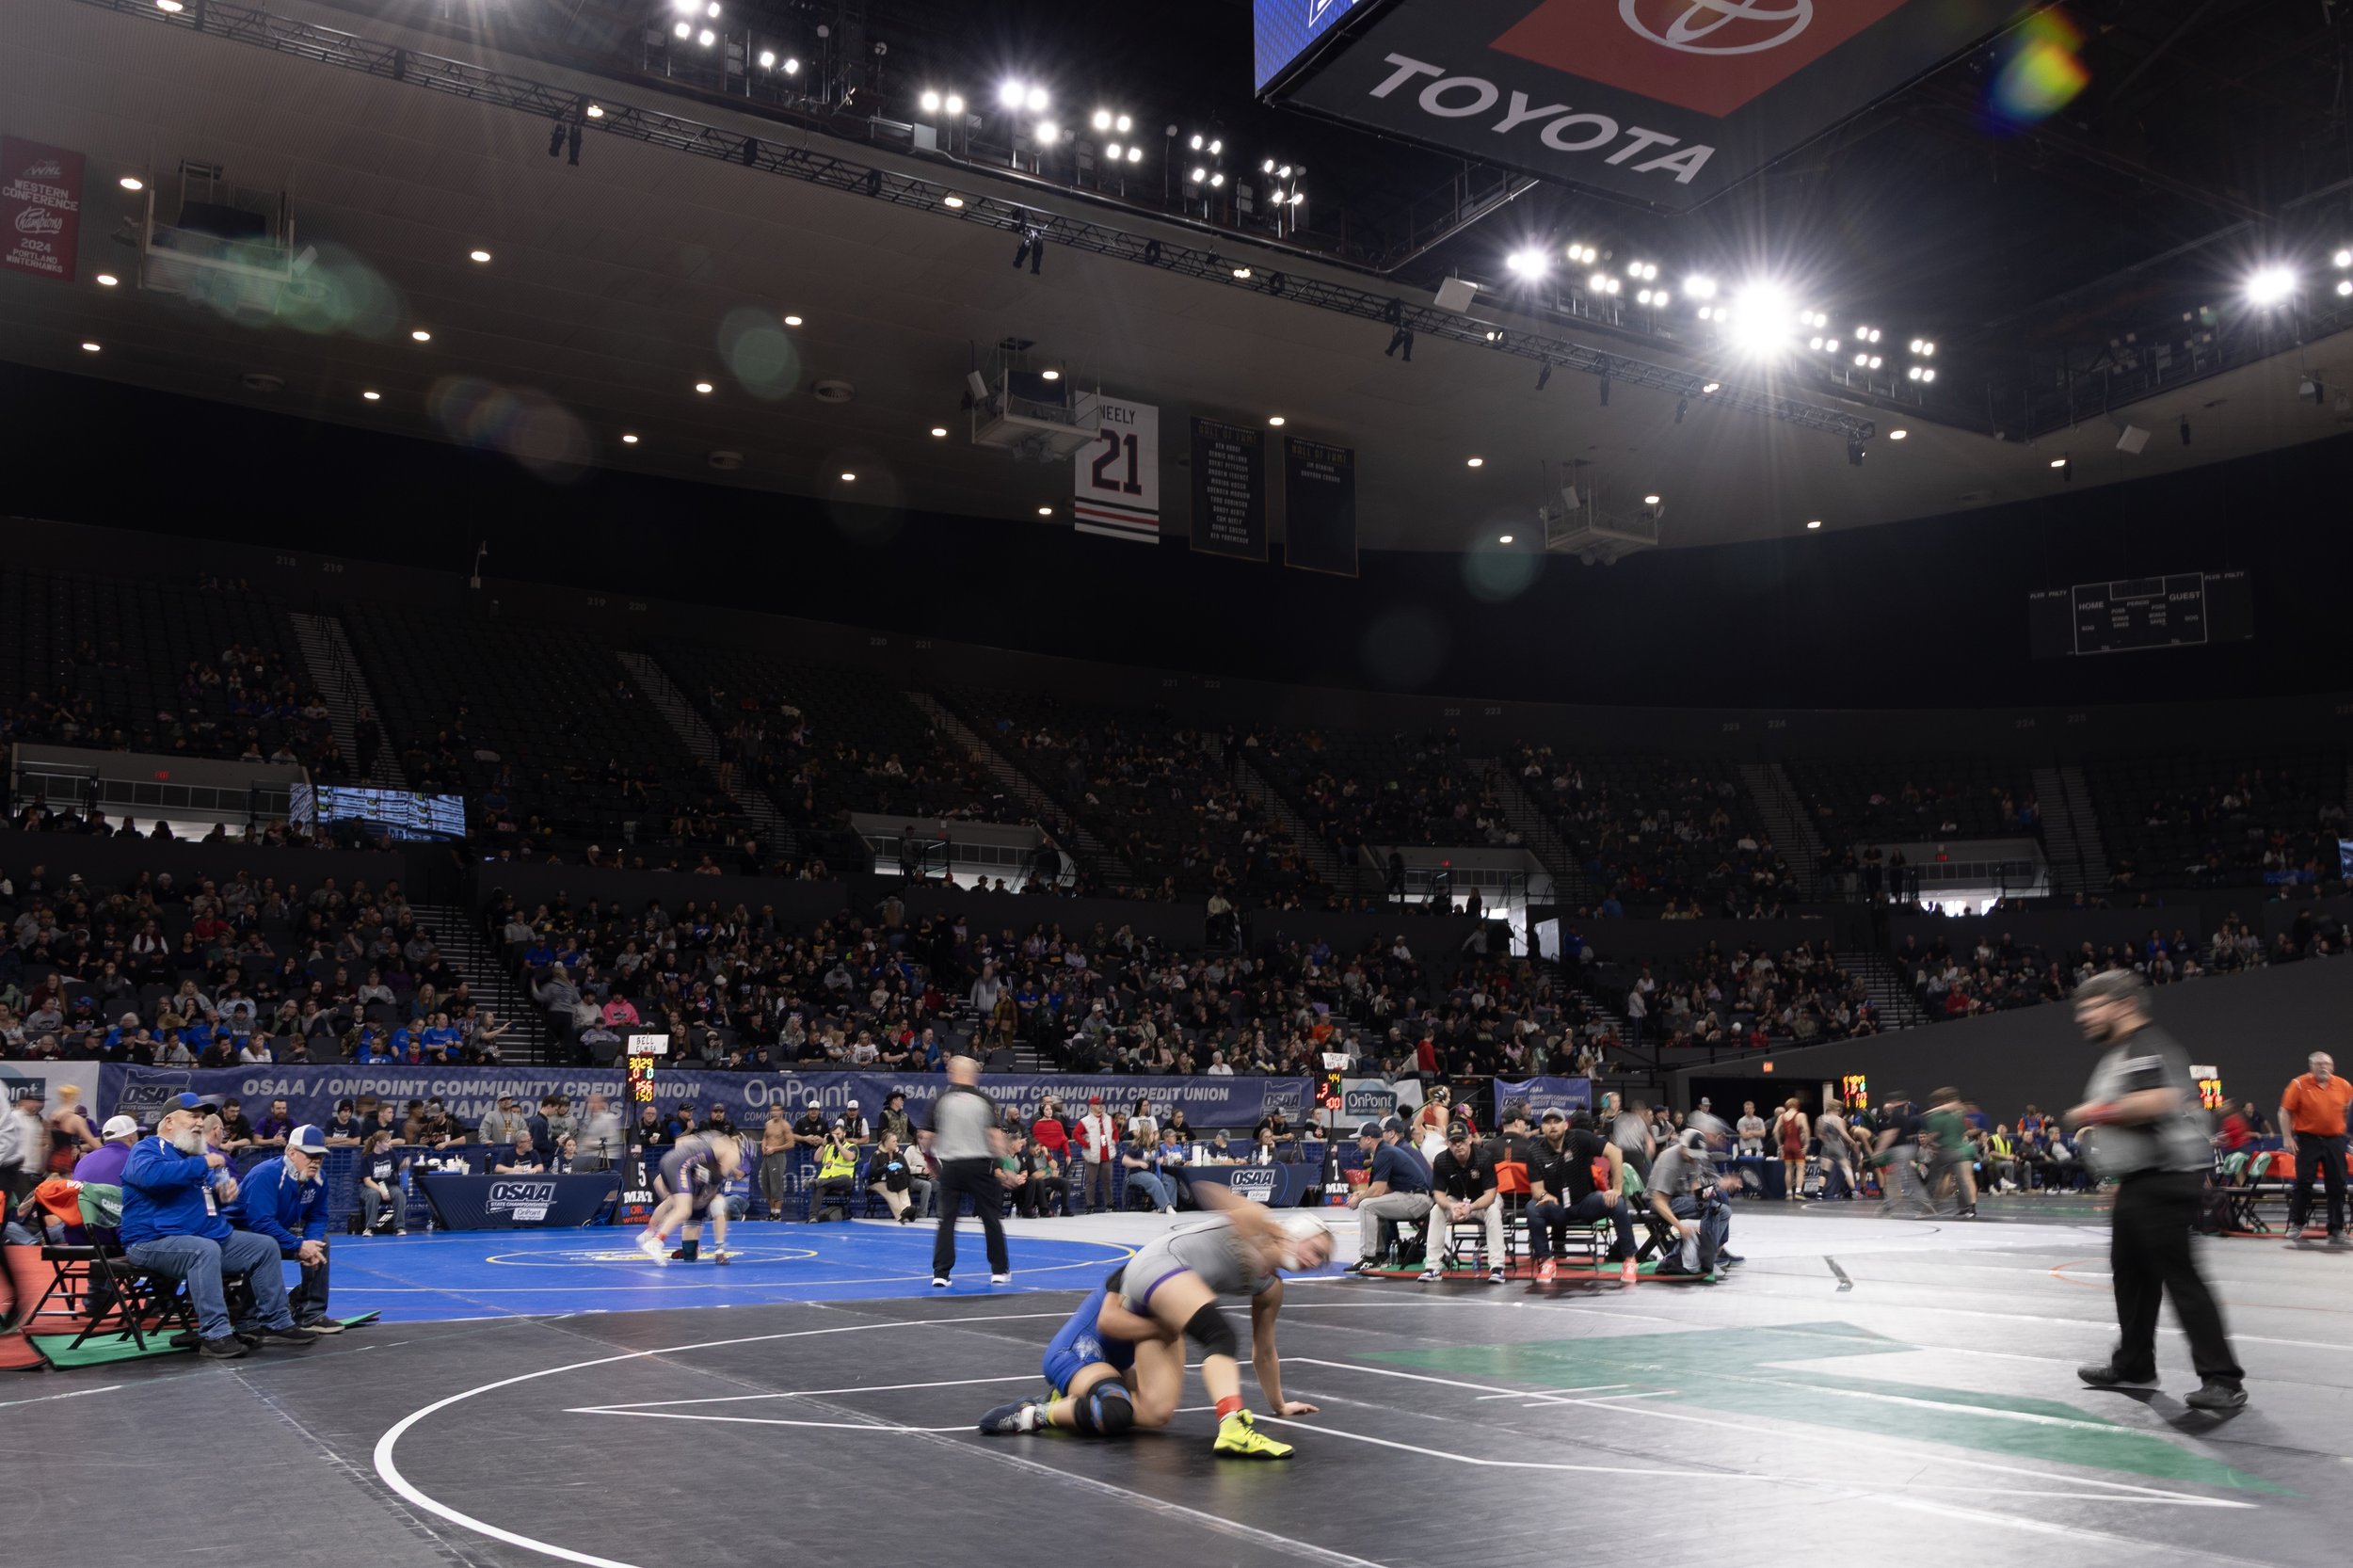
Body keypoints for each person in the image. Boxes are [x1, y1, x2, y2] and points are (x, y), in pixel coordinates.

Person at [981, 1192, 1331, 1459]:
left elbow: (1265, 1351)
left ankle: (1067, 1403)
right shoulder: (1147, 1270)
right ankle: (1033, 1414)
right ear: (1296, 1232)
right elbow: (1109, 1322)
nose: (1314, 1263)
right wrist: (1252, 1215)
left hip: (1130, 1348)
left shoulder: (1268, 1287)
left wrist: (1279, 1405)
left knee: (1156, 1413)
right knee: (1210, 1339)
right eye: (1315, 1250)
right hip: (1080, 1352)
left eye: (1322, 1261)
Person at [2066, 969, 2245, 1409]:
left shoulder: (2142, 1045)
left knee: (2178, 1276)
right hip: (2140, 1179)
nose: (2084, 1018)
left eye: (2092, 1008)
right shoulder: (2125, 1050)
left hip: (2163, 1178)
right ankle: (2134, 1363)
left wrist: (2091, 1112)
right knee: (2131, 1275)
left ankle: (2223, 1378)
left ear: (2124, 1004)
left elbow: (2157, 1102)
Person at [120, 1094, 319, 1359]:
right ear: (168, 1121)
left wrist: (223, 1194)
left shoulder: (195, 1154)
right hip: (150, 1241)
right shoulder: (148, 1149)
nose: (199, 1123)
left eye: (202, 1118)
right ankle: (215, 1334)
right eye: (193, 1116)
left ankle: (274, 1320)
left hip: (200, 1236)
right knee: (203, 1251)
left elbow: (204, 1196)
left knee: (264, 1247)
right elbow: (151, 1177)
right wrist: (202, 1163)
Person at [226, 1125, 341, 1332]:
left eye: (320, 1156)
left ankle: (310, 1313)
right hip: (236, 1233)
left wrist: (311, 1244)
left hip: (269, 1230)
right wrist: (298, 1245)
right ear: (291, 1152)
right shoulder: (266, 1174)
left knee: (321, 1242)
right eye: (310, 1155)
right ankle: (249, 1319)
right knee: (264, 1245)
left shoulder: (318, 1179)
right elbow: (260, 1223)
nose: (316, 1161)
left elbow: (317, 1216)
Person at [1524, 1108, 1640, 1284]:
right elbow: (1537, 1189)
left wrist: (1616, 1189)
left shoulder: (1579, 1138)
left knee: (1617, 1202)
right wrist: (1544, 1195)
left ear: (1565, 1125)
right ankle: (1546, 1262)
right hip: (1558, 1207)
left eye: (1557, 1122)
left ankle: (1630, 1260)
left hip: (1585, 1202)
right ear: (1542, 1128)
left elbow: (1615, 1152)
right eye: (1548, 1123)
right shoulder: (1534, 1152)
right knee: (1532, 1208)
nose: (1553, 1126)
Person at [926, 1054, 1011, 1288]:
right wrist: (1005, 1168)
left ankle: (941, 1273)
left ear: (952, 1074)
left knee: (946, 1220)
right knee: (990, 1218)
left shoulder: (941, 1100)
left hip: (951, 1167)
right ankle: (999, 1271)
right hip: (979, 1166)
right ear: (974, 1075)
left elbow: (927, 1137)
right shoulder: (984, 1100)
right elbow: (995, 1138)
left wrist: (932, 1162)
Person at [636, 1128, 743, 1265]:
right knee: (679, 1206)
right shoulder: (722, 1147)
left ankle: (719, 1251)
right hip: (686, 1176)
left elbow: (726, 1177)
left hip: (696, 1188)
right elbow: (680, 1144)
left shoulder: (714, 1152)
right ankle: (654, 1238)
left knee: (715, 1206)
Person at [2278, 1051, 2351, 1246]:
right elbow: (2285, 1111)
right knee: (2304, 1182)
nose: (2323, 1067)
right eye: (2319, 1064)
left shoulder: (2344, 1085)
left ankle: (2336, 1229)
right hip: (2308, 1140)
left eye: (2327, 1064)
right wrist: (2287, 1137)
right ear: (2311, 1067)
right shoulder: (2299, 1084)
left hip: (2335, 1140)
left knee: (2337, 1184)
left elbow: (2350, 1112)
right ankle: (2297, 1224)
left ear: (2332, 1067)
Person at [1649, 1128, 1742, 1279]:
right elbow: (1658, 1200)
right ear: (1683, 1147)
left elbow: (1695, 1187)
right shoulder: (1669, 1161)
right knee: (1713, 1209)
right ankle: (1706, 1258)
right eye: (1692, 1155)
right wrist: (1680, 1227)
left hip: (1682, 1198)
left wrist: (1712, 1190)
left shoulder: (1694, 1157)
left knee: (1723, 1209)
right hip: (1663, 1201)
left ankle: (1713, 1251)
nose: (1694, 1159)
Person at [1346, 1117, 1433, 1272]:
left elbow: (1378, 1190)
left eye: (1359, 1139)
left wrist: (1358, 1198)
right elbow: (1385, 1189)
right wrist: (1363, 1193)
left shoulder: (1384, 1153)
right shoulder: (1385, 1150)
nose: (1357, 1142)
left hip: (1417, 1200)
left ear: (1368, 1139)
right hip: (1416, 1197)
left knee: (1366, 1205)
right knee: (1373, 1203)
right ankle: (1380, 1254)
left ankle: (1369, 1257)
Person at [1425, 1121, 1507, 1283]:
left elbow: (1490, 1195)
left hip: (1481, 1201)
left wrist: (1471, 1207)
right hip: (1456, 1202)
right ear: (1447, 1143)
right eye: (1453, 1142)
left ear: (1470, 1139)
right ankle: (1432, 1267)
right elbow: (1439, 1195)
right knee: (1436, 1210)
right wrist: (1451, 1206)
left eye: (1461, 1140)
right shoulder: (1441, 1160)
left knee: (1493, 1210)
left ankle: (1497, 1267)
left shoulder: (1484, 1157)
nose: (1458, 1145)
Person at [356, 1130, 409, 1235]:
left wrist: (404, 1165)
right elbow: (367, 1181)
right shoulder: (367, 1158)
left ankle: (399, 1227)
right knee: (373, 1195)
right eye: (387, 1141)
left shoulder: (391, 1153)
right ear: (378, 1143)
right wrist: (381, 1190)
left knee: (399, 1195)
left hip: (390, 1185)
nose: (390, 1144)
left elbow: (399, 1168)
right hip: (371, 1186)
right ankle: (370, 1227)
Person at [1074, 1096, 1119, 1212]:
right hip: (1092, 1155)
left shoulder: (1108, 1119)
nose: (1100, 1106)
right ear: (1092, 1106)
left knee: (1107, 1181)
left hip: (1107, 1155)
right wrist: (1085, 1144)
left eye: (1101, 1104)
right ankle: (1090, 1206)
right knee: (1091, 1182)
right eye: (1097, 1104)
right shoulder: (1085, 1121)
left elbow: (1115, 1131)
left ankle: (1110, 1204)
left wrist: (1114, 1140)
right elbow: (1076, 1134)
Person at [867, 1128, 920, 1223]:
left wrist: (898, 1169)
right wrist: (886, 1167)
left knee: (903, 1188)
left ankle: (908, 1211)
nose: (896, 1143)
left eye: (896, 1141)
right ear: (886, 1143)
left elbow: (907, 1169)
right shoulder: (877, 1155)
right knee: (892, 1194)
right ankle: (901, 1216)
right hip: (879, 1181)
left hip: (896, 1179)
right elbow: (873, 1172)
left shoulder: (899, 1154)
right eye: (894, 1141)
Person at [808, 1124, 859, 1221]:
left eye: (838, 1134)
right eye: (834, 1134)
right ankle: (813, 1217)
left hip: (843, 1182)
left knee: (846, 1179)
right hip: (826, 1181)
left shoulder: (851, 1146)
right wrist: (823, 1144)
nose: (836, 1136)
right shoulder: (828, 1147)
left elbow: (849, 1157)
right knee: (819, 1187)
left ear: (844, 1133)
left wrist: (838, 1143)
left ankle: (817, 1182)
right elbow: (816, 1158)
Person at [1814, 1098, 1860, 1200]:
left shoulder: (1820, 1118)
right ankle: (1854, 1192)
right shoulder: (1839, 1120)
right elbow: (1843, 1133)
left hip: (1826, 1146)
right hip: (1838, 1146)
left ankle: (1819, 1193)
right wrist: (1852, 1142)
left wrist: (1826, 1141)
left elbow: (1818, 1134)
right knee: (1846, 1168)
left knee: (1824, 1171)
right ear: (1838, 1109)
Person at [758, 1103, 794, 1220]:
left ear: (782, 1112)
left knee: (776, 1185)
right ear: (770, 1112)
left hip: (778, 1156)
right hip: (766, 1157)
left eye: (778, 1110)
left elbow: (791, 1143)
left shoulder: (785, 1125)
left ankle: (777, 1214)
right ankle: (772, 1212)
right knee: (766, 1184)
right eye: (773, 1110)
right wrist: (763, 1146)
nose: (775, 1113)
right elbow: (765, 1138)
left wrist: (774, 1149)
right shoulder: (768, 1124)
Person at [1773, 1097, 1810, 1202]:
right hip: (1797, 1145)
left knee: (1788, 1170)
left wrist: (1780, 1145)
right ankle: (1798, 1192)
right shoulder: (1801, 1115)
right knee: (1800, 1169)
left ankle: (1789, 1193)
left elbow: (1775, 1131)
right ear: (1797, 1105)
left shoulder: (1781, 1116)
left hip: (1787, 1145)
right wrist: (1807, 1144)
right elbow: (1806, 1129)